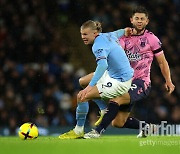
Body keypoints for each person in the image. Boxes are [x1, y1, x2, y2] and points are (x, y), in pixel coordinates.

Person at [84, 6, 175, 138]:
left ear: (147, 21)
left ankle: (97, 131)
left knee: (118, 97)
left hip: (141, 82)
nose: (139, 21)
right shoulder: (123, 38)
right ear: (131, 20)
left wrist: (168, 81)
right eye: (137, 18)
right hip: (123, 80)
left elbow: (162, 61)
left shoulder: (152, 39)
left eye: (142, 19)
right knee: (118, 123)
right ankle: (146, 127)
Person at [59, 20, 134, 139]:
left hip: (119, 81)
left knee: (82, 96)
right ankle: (103, 109)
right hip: (113, 73)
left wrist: (90, 87)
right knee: (82, 81)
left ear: (94, 33)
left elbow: (102, 65)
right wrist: (127, 31)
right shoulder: (107, 35)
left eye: (85, 34)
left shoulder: (97, 46)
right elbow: (120, 32)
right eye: (81, 34)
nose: (83, 37)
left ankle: (78, 130)